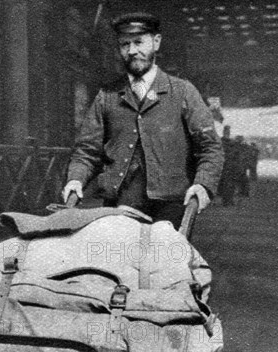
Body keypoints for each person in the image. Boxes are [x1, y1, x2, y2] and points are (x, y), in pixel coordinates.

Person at [62, 12, 224, 229]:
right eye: (124, 44)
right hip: (119, 204)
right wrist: (75, 180)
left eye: (139, 42)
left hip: (171, 206)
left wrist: (202, 185)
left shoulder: (183, 92)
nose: (131, 51)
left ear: (156, 42)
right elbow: (86, 152)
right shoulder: (107, 96)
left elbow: (210, 148)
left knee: (165, 260)